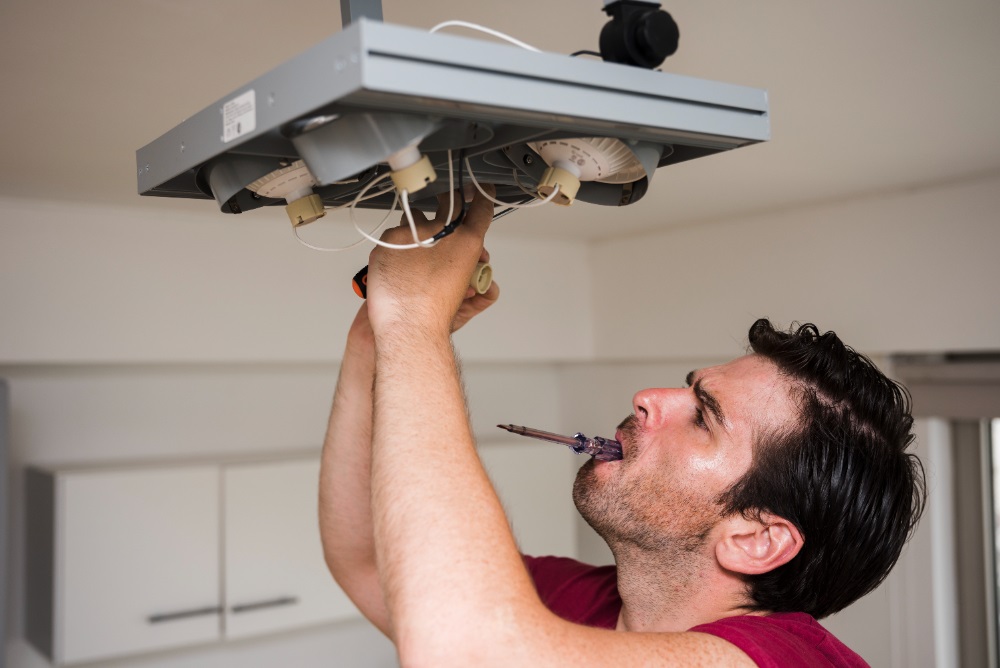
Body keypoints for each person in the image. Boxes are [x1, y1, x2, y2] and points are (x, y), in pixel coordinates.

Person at [319, 188, 926, 667]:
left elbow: (465, 651)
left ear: (756, 539)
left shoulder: (787, 661)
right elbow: (369, 560)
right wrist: (375, 335)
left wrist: (415, 320)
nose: (647, 398)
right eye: (687, 388)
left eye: (703, 417)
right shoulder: (575, 604)